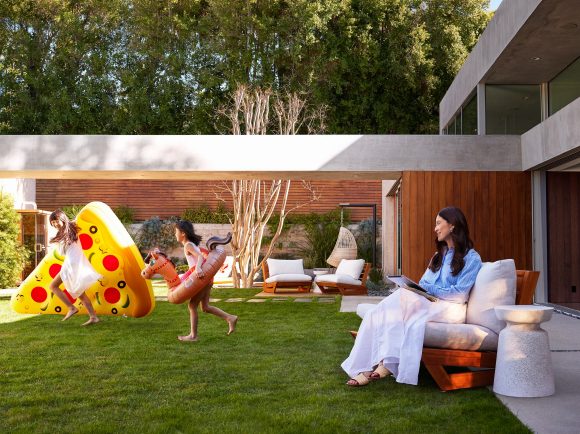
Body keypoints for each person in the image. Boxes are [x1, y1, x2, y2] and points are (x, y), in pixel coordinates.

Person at [342, 206, 482, 386]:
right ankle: (374, 365)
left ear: (453, 225)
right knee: (380, 312)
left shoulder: (472, 258)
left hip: (451, 308)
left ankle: (381, 364)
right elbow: (423, 283)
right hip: (430, 303)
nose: (435, 228)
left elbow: (460, 294)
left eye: (439, 223)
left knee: (394, 306)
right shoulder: (438, 256)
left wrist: (429, 290)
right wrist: (422, 289)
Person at [174, 220, 238, 342]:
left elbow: (199, 257)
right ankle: (230, 318)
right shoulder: (191, 244)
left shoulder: (188, 245)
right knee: (205, 307)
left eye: (176, 232)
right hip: (206, 278)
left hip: (201, 278)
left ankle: (193, 336)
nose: (175, 234)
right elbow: (202, 255)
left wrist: (197, 268)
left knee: (192, 306)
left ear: (182, 233)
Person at [48, 210, 101, 326]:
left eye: (56, 221)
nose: (55, 224)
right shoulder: (68, 230)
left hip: (71, 264)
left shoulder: (69, 230)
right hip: (73, 263)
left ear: (62, 219)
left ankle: (72, 308)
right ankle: (93, 317)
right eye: (52, 223)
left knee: (53, 286)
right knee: (80, 293)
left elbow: (62, 252)